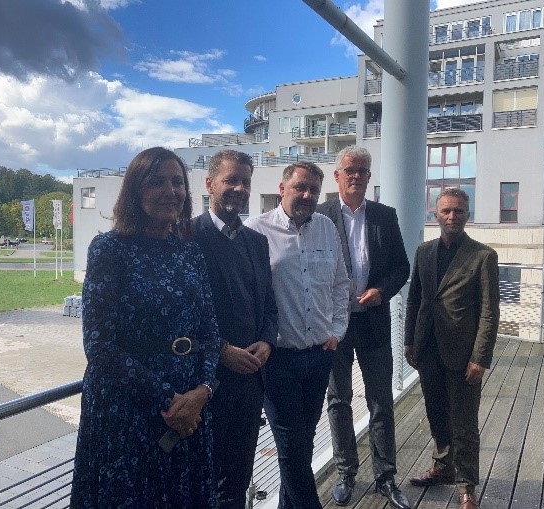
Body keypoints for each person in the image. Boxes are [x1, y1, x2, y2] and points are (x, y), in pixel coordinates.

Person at [70, 147, 221, 509]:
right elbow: (99, 346)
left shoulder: (190, 252)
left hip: (190, 411)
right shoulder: (109, 249)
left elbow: (211, 333)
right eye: (157, 182)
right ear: (135, 191)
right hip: (128, 414)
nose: (171, 191)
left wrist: (202, 391)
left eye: (177, 182)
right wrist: (170, 401)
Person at [245, 161, 350, 509]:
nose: (307, 195)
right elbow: (249, 295)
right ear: (282, 188)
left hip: (320, 355)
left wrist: (337, 330)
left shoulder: (326, 228)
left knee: (303, 443)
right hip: (278, 359)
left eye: (313, 190)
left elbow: (339, 283)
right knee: (290, 447)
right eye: (300, 187)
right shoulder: (255, 230)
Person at [317, 146, 411, 509]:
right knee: (338, 401)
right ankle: (346, 474)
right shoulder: (321, 215)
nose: (356, 175)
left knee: (380, 401)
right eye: (349, 170)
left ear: (370, 177)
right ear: (337, 175)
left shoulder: (385, 216)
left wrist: (381, 292)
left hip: (373, 323)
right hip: (334, 327)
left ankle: (385, 478)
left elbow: (401, 268)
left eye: (363, 170)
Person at [192, 150, 279, 509]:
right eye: (232, 180)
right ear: (210, 183)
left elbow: (269, 307)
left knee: (237, 482)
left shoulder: (256, 242)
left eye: (245, 182)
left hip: (249, 385)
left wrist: (267, 341)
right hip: (203, 385)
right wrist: (220, 350)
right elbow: (181, 314)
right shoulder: (186, 237)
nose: (240, 189)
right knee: (200, 482)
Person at [404, 188, 500, 509]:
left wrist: (480, 357)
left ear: (467, 214)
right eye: (445, 211)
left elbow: (489, 311)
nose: (452, 216)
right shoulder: (424, 252)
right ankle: (444, 467)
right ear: (436, 214)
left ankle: (466, 486)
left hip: (463, 355)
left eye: (458, 211)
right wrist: (409, 342)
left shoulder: (482, 256)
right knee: (437, 415)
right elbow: (415, 299)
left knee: (465, 422)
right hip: (428, 349)